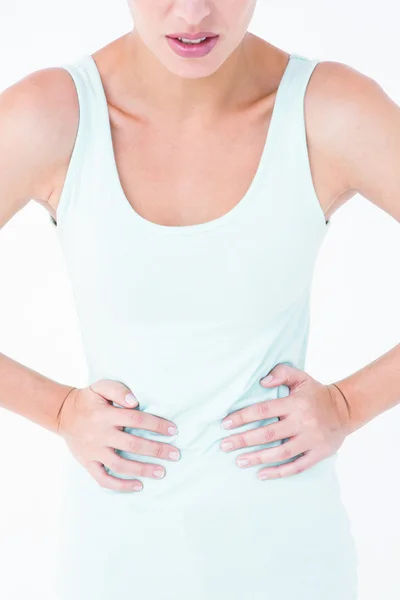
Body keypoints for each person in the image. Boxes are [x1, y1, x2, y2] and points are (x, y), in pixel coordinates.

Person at [1, 1, 399, 599]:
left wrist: (349, 404)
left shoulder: (329, 110)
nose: (192, 13)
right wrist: (56, 411)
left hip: (293, 564)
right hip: (115, 563)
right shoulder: (50, 116)